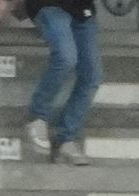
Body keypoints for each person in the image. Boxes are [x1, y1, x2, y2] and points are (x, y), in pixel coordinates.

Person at [25, 0, 96, 164]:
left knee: (92, 75)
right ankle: (38, 116)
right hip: (50, 5)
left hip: (82, 10)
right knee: (66, 57)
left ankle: (66, 139)